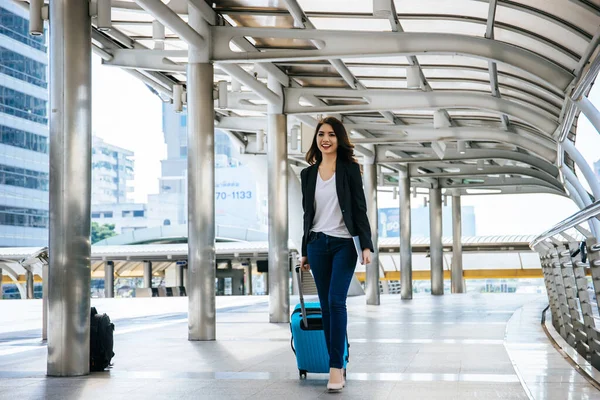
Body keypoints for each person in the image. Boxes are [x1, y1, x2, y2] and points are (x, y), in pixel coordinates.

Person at [299, 116, 374, 392]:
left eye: (331, 134)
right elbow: (307, 215)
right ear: (316, 139)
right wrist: (305, 249)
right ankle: (338, 362)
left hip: (344, 244)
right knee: (325, 304)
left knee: (335, 301)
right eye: (321, 134)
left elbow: (359, 208)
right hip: (317, 244)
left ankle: (334, 368)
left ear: (339, 139)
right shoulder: (307, 175)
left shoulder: (350, 170)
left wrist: (366, 245)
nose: (325, 139)